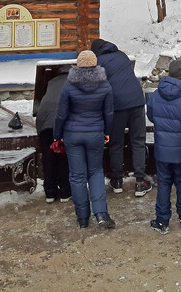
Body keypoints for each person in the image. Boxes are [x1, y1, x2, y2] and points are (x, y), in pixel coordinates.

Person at [54, 50, 116, 228]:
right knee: (95, 172)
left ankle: (82, 218)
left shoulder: (69, 85)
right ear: (96, 64)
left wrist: (57, 135)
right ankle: (101, 213)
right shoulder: (105, 85)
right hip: (95, 133)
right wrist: (107, 132)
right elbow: (109, 112)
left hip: (72, 134)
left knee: (77, 176)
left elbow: (61, 114)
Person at [91, 38, 152, 196]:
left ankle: (117, 180)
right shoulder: (122, 55)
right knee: (138, 141)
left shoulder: (98, 62)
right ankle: (140, 182)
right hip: (137, 101)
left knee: (116, 143)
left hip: (117, 105)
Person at [146, 59, 181, 234]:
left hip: (162, 149)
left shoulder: (155, 95)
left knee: (164, 183)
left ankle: (162, 221)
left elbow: (152, 115)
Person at [36, 69, 72, 203]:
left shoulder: (51, 81)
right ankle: (65, 192)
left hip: (44, 121)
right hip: (61, 121)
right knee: (63, 157)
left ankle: (50, 193)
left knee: (48, 157)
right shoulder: (74, 82)